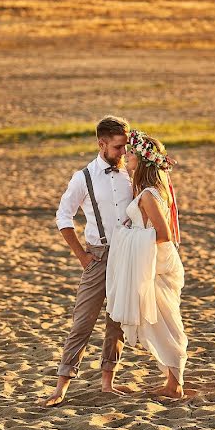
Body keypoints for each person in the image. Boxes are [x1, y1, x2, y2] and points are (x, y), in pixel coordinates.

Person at [41, 115, 133, 407]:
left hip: (128, 255)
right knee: (83, 321)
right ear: (101, 144)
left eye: (125, 147)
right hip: (99, 256)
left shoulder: (130, 173)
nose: (123, 153)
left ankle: (108, 382)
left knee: (117, 322)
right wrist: (81, 255)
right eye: (118, 147)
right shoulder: (83, 177)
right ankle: (61, 387)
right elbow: (63, 216)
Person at [106, 129, 188, 399]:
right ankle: (172, 380)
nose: (126, 157)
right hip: (152, 262)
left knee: (164, 320)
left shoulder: (150, 195)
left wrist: (127, 236)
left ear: (142, 160)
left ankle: (174, 384)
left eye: (130, 153)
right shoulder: (147, 191)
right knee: (158, 320)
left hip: (156, 264)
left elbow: (162, 235)